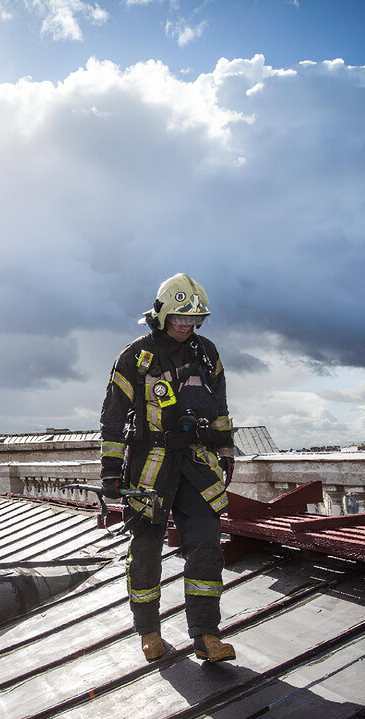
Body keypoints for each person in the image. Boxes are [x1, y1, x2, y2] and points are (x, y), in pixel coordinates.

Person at [99, 273, 237, 663]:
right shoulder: (135, 357)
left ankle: (207, 635)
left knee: (207, 544)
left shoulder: (207, 353)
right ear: (161, 314)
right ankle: (149, 631)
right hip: (150, 467)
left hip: (196, 464)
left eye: (193, 319)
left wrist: (225, 451)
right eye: (179, 317)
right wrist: (111, 470)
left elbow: (221, 408)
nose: (186, 325)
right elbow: (113, 416)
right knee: (145, 550)